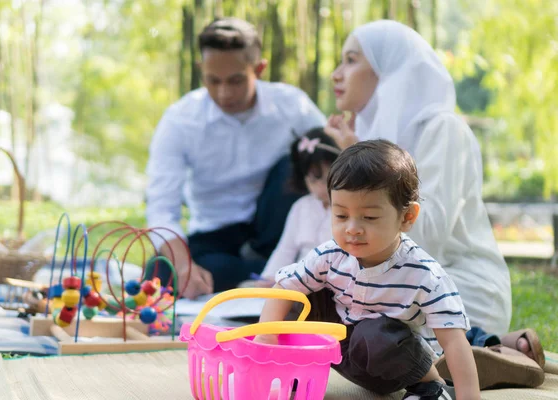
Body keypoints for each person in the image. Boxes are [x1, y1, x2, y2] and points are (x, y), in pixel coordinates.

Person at [322, 19, 545, 386]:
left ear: (390, 69)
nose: (336, 74)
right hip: (391, 286)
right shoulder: (371, 136)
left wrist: (369, 179)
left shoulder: (444, 129)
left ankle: (470, 348)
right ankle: (481, 350)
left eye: (350, 60)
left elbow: (426, 237)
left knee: (371, 333)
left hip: (454, 288)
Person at [256, 140, 480, 400]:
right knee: (296, 295)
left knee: (373, 333)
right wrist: (265, 338)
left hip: (387, 363)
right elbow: (282, 287)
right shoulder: (330, 255)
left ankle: (431, 386)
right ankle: (290, 373)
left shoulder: (424, 275)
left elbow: (453, 341)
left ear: (407, 217)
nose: (352, 228)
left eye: (369, 217)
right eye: (340, 215)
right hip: (338, 348)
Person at [145, 17, 326, 299]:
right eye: (212, 80)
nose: (223, 93)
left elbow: (337, 164)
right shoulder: (180, 120)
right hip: (216, 238)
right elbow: (161, 208)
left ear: (260, 69)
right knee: (162, 273)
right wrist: (183, 265)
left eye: (236, 80)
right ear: (200, 70)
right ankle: (274, 279)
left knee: (296, 160)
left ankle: (275, 275)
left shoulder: (293, 106)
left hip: (277, 233)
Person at [246, 128, 340, 287]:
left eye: (327, 179)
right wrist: (269, 277)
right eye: (313, 180)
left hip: (336, 280)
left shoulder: (348, 208)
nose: (321, 187)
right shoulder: (301, 207)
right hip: (301, 281)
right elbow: (285, 249)